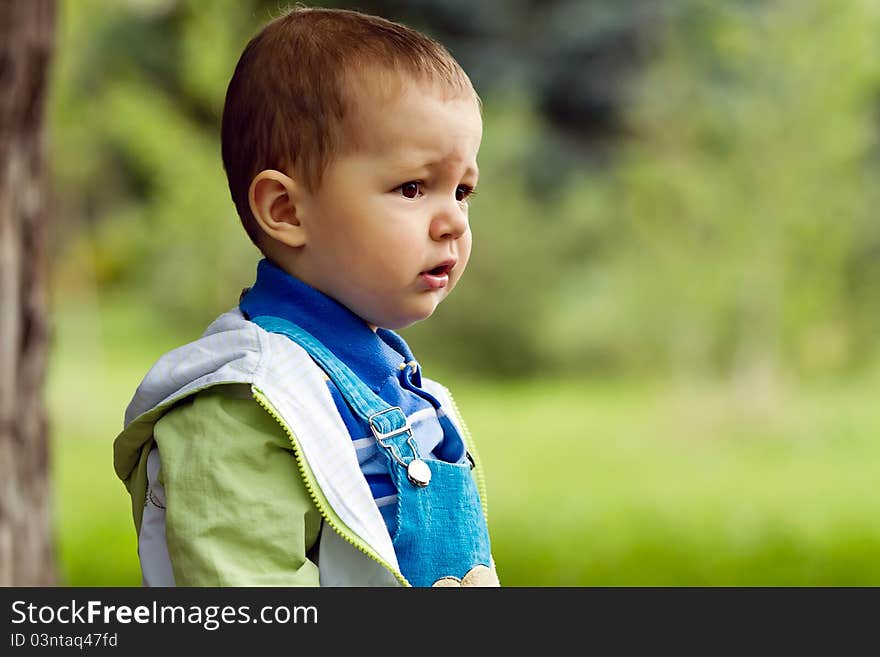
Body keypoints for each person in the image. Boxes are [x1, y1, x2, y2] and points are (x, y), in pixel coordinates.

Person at [112, 6, 499, 587]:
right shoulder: (244, 407)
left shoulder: (392, 385)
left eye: (462, 190)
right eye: (413, 187)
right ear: (287, 210)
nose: (452, 221)